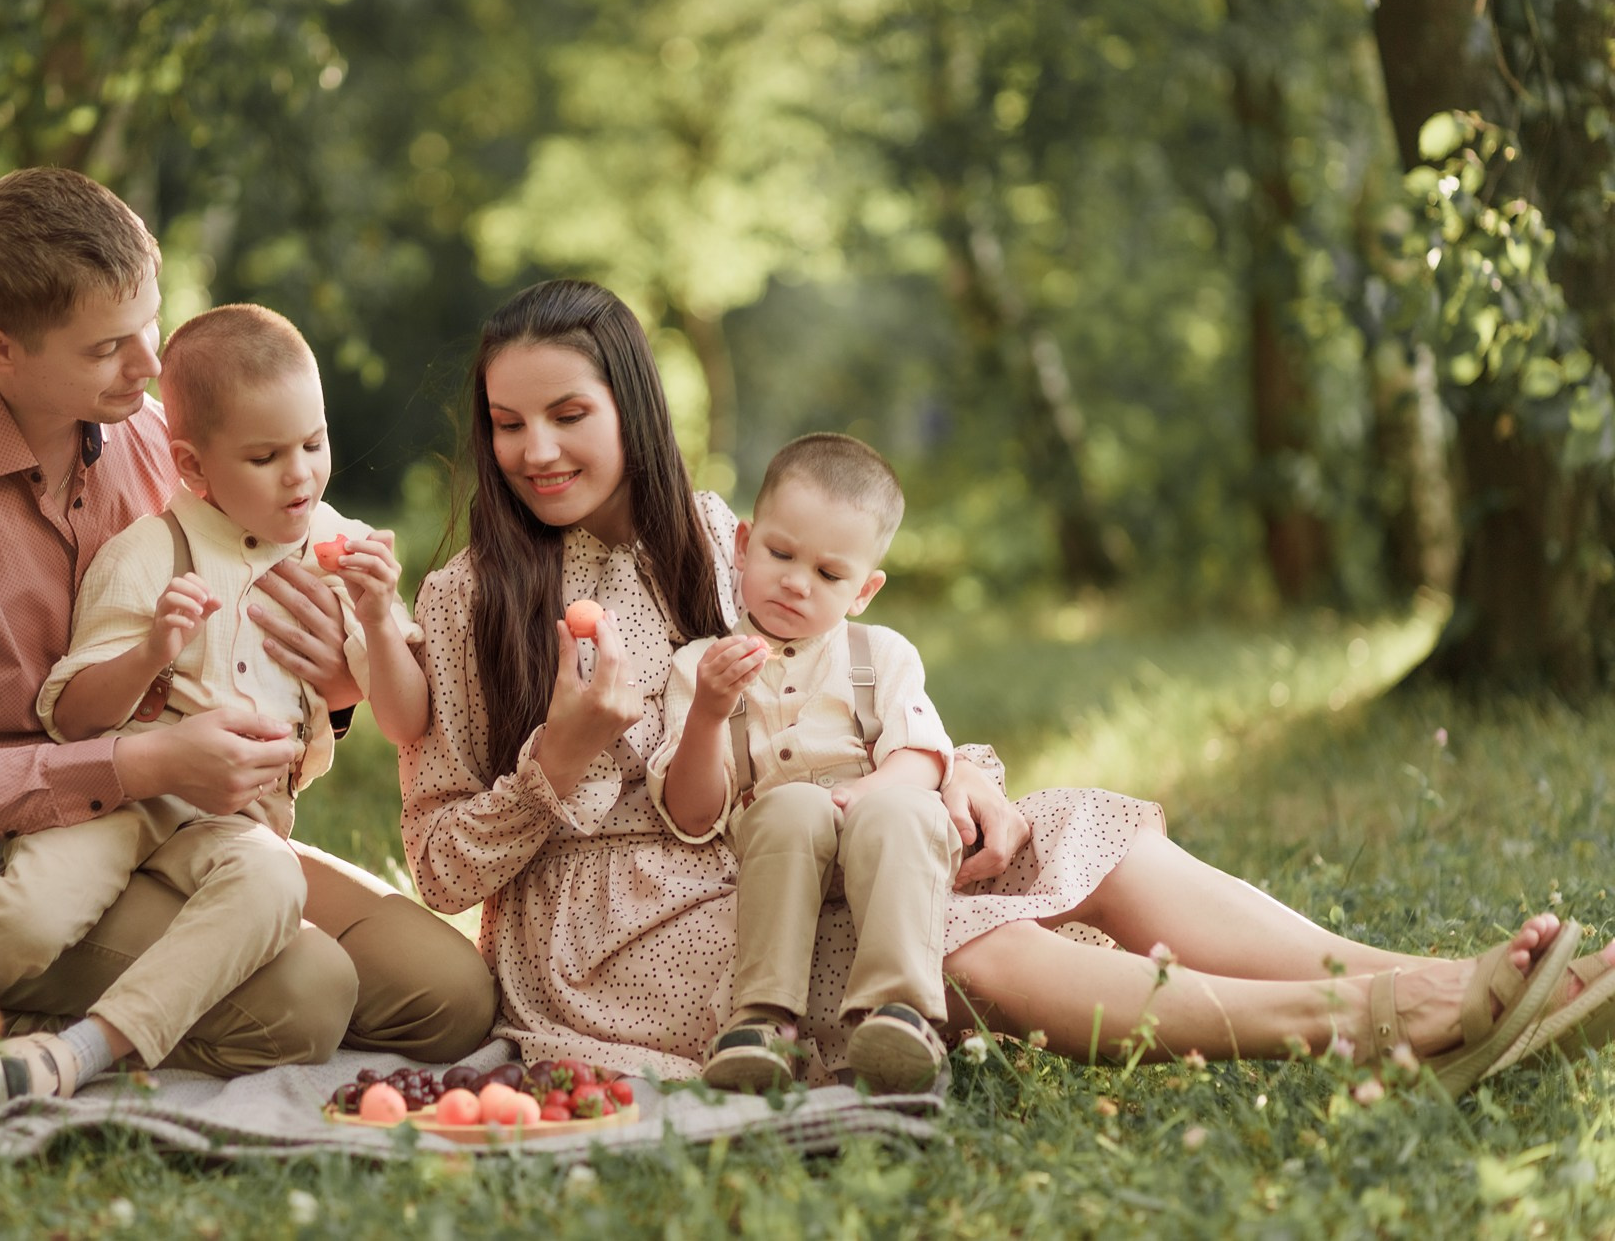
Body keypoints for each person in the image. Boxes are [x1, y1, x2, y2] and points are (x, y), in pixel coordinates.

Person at [397, 276, 1615, 1095]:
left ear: (633, 407)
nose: (536, 450)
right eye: (507, 424)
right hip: (613, 947)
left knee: (1079, 834)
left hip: (796, 836)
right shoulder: (462, 600)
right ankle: (1388, 1022)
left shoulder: (721, 536)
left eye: (567, 413)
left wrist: (953, 771)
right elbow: (439, 865)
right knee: (964, 940)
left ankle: (1390, 968)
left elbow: (855, 686)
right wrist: (558, 758)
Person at [0, 167, 493, 1098]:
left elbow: (318, 619)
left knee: (449, 995)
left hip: (189, 824)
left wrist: (338, 673)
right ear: (0, 348)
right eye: (109, 346)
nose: (151, 366)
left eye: (150, 325)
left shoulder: (163, 437)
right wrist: (137, 766)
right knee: (307, 998)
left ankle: (90, 995)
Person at [0, 302, 433, 1104]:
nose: (300, 473)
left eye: (314, 443)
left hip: (247, 840)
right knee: (312, 992)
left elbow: (408, 719)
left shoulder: (338, 543)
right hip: (135, 820)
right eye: (267, 457)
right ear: (193, 469)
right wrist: (155, 651)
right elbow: (72, 713)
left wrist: (372, 618)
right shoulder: (152, 553)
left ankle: (196, 985)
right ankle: (68, 1034)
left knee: (453, 1000)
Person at [652, 433, 958, 1094]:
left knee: (905, 805)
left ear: (864, 589)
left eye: (828, 574)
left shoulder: (882, 653)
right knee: (790, 804)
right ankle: (762, 1021)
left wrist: (869, 789)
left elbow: (924, 755)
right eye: (780, 553)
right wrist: (708, 709)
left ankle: (900, 1012)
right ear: (742, 543)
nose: (795, 582)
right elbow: (693, 813)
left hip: (876, 823)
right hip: (779, 840)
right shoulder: (697, 665)